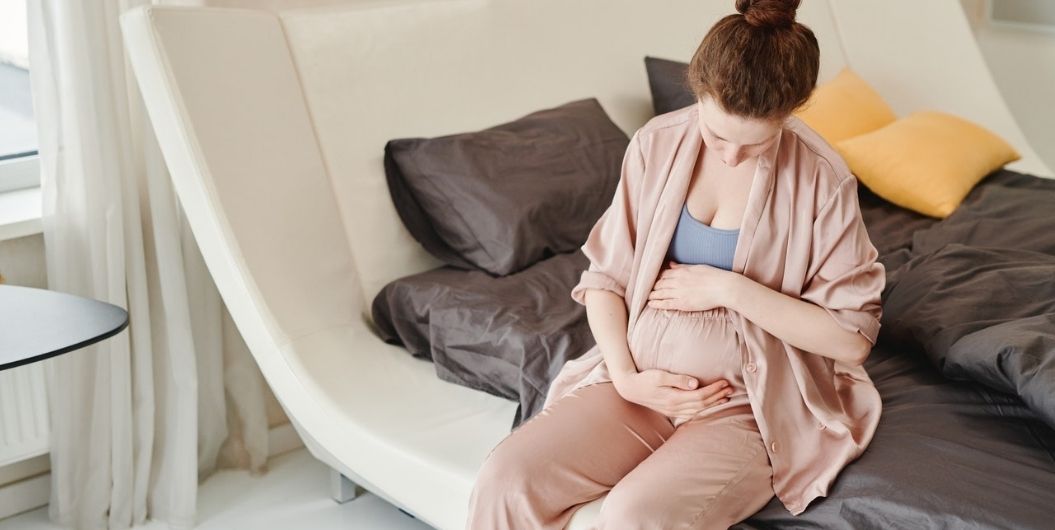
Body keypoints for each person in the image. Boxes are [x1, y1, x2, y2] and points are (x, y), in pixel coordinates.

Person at [466, 0, 886, 528]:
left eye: (756, 143)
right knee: (506, 478)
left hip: (747, 404)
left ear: (793, 111)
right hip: (639, 384)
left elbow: (850, 338)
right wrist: (625, 377)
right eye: (716, 135)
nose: (730, 156)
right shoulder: (656, 143)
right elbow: (604, 279)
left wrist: (728, 289)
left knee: (631, 516)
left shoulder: (823, 179)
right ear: (697, 92)